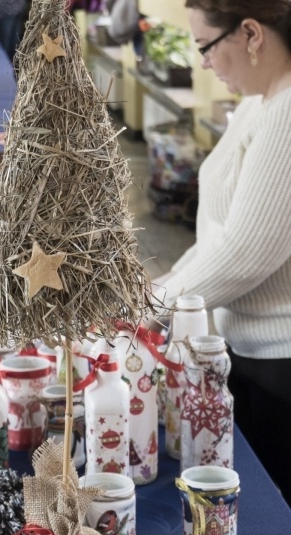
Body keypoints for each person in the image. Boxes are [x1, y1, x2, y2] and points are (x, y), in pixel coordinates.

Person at [153, 0, 291, 504]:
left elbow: (243, 254)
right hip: (248, 351)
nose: (205, 65)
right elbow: (219, 235)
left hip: (279, 363)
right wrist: (158, 289)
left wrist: (150, 305)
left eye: (206, 48)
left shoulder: (287, 116)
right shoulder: (260, 102)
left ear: (251, 34)